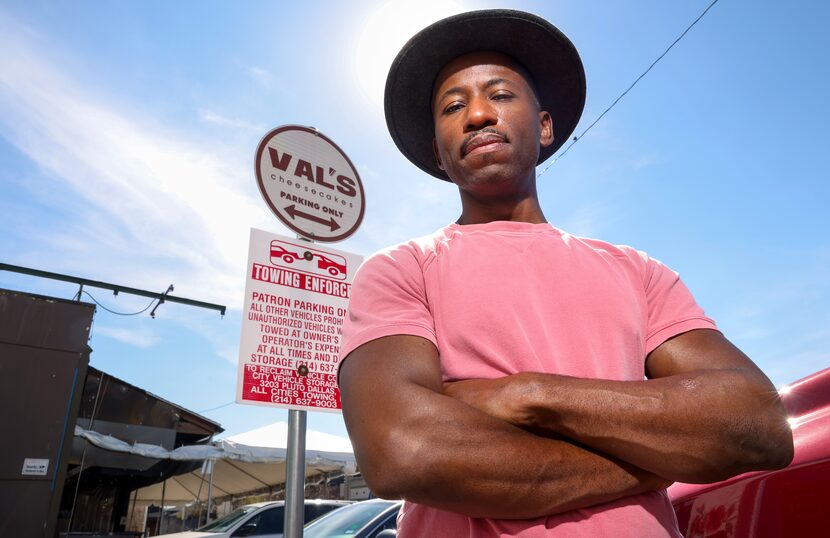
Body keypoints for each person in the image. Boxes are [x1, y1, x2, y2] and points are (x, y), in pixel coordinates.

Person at [337, 9, 793, 538]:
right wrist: (661, 459)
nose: (478, 114)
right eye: (453, 106)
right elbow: (405, 451)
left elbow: (759, 425)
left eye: (501, 95)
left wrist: (528, 395)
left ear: (545, 126)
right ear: (439, 154)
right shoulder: (400, 269)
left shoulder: (639, 272)